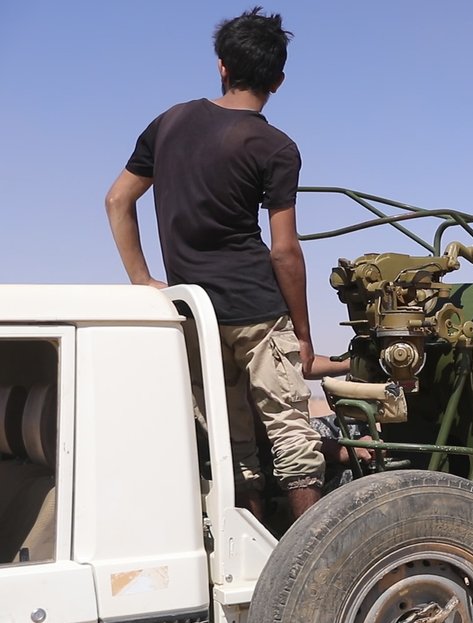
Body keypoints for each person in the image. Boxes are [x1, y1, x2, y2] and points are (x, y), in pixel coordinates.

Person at [105, 7, 325, 520]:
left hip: (196, 313)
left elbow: (118, 200)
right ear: (279, 79)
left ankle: (242, 553)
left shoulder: (168, 123)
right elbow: (284, 250)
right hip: (256, 308)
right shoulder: (274, 146)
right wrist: (303, 329)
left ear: (222, 65)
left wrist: (143, 281)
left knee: (235, 446)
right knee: (294, 438)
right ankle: (313, 566)